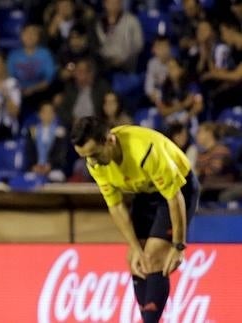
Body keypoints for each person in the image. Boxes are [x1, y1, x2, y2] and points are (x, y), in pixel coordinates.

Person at [70, 116, 200, 323]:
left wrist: (178, 246)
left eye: (94, 154)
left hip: (178, 189)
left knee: (154, 255)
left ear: (110, 140)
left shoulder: (145, 151)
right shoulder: (94, 163)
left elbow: (174, 198)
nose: (91, 162)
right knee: (136, 259)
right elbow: (116, 206)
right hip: (145, 192)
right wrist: (134, 247)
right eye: (85, 157)